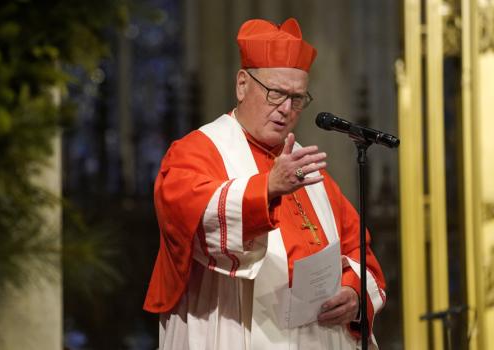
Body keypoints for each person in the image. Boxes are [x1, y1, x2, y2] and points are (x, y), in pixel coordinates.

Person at [144, 17, 386, 350]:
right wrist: (267, 188)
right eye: (275, 93)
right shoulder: (197, 151)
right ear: (242, 84)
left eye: (297, 98)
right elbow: (187, 219)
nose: (286, 109)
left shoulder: (310, 170)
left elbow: (358, 250)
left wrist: (354, 295)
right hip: (230, 329)